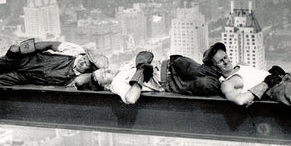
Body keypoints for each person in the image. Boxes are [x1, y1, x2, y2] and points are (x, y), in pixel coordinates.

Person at [0, 39, 109, 102]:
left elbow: (84, 83)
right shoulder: (73, 49)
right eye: (84, 59)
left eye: (87, 65)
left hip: (24, 76)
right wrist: (21, 48)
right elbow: (48, 44)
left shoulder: (78, 78)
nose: (82, 64)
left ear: (91, 69)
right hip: (23, 60)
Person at [87, 51, 222, 104]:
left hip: (172, 64)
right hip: (170, 81)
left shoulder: (123, 67)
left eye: (104, 70)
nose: (107, 71)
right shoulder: (116, 84)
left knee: (204, 71)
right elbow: (131, 98)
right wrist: (139, 76)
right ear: (105, 85)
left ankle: (230, 77)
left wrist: (142, 63)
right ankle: (231, 84)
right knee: (207, 83)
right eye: (104, 75)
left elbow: (146, 54)